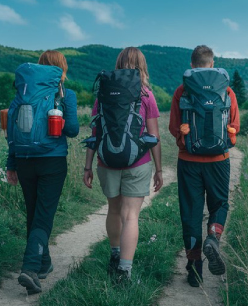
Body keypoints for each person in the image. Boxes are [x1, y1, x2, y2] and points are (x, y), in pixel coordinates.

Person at [83, 47, 163, 282]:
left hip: (106, 161)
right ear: (142, 65)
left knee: (114, 210)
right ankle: (124, 272)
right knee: (131, 216)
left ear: (118, 64)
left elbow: (95, 131)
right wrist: (158, 169)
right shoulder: (146, 93)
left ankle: (115, 256)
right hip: (138, 162)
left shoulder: (104, 93)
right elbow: (154, 135)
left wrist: (87, 166)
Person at [5, 50, 79, 294]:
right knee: (44, 216)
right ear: (61, 70)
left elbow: (13, 133)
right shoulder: (65, 95)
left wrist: (12, 164)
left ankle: (43, 264)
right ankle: (30, 268)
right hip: (52, 161)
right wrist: (57, 119)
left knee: (33, 213)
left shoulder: (22, 95)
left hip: (25, 160)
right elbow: (73, 130)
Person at [168, 45, 239, 287]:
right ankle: (213, 237)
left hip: (188, 161)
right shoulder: (226, 90)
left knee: (191, 213)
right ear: (213, 63)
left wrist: (184, 140)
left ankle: (194, 269)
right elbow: (234, 125)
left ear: (192, 64)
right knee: (220, 203)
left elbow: (173, 128)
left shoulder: (182, 90)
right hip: (219, 161)